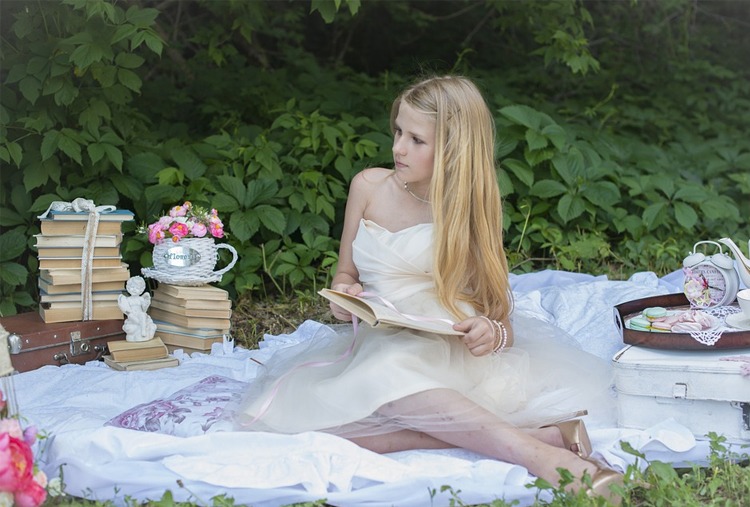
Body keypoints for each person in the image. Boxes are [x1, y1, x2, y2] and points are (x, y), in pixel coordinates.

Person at [235, 75, 624, 502]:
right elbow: (344, 277)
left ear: (455, 149)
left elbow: (501, 320)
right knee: (309, 427)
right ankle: (541, 437)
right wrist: (346, 303)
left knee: (386, 373)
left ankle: (543, 459)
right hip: (379, 335)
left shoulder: (470, 212)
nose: (399, 147)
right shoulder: (368, 187)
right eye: (398, 131)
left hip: (443, 344)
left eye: (417, 140)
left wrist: (489, 332)